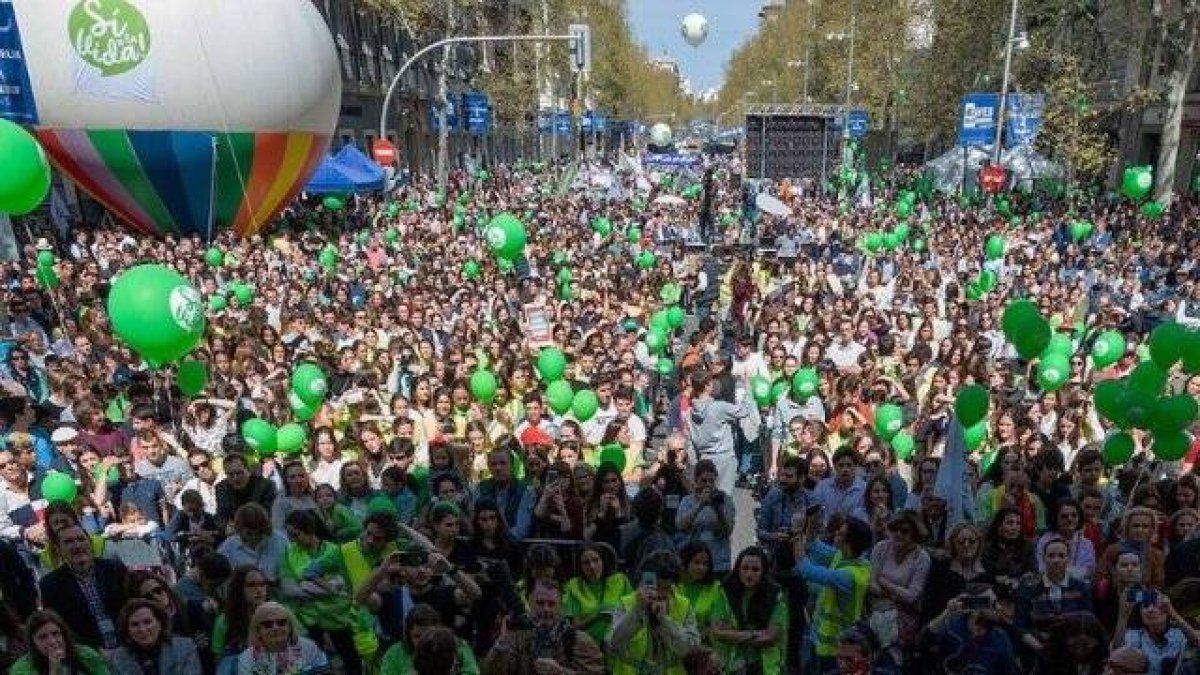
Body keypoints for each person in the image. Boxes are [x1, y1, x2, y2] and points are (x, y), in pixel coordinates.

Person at [278, 510, 361, 675]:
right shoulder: (288, 553)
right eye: (289, 535)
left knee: (352, 663)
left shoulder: (334, 550)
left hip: (337, 617)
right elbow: (288, 589)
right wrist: (325, 590)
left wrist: (305, 586)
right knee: (312, 667)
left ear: (310, 530)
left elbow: (341, 585)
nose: (292, 539)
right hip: (307, 621)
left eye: (296, 534)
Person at [792, 514, 874, 673]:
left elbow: (806, 570)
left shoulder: (849, 576)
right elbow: (813, 544)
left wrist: (796, 534)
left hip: (835, 646)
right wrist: (813, 520)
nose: (836, 533)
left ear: (849, 542)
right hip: (827, 637)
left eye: (841, 533)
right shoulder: (847, 557)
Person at [480, 579, 604, 675]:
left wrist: (561, 672)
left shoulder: (579, 641)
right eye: (540, 603)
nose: (546, 609)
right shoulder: (517, 638)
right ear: (529, 604)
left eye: (552, 604)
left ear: (561, 607)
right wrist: (501, 645)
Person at [607, 550, 701, 674]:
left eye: (666, 588)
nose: (660, 593)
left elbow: (690, 650)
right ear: (645, 580)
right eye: (656, 587)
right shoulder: (627, 603)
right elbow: (613, 643)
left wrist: (665, 621)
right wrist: (637, 610)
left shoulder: (684, 605)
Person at [38, 523, 129, 650]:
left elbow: (132, 607)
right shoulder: (50, 585)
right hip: (87, 652)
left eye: (81, 539)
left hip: (127, 644)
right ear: (58, 549)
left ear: (90, 543)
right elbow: (57, 627)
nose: (77, 546)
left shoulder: (114, 569)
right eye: (69, 542)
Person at [708, 546, 787, 675]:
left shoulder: (776, 595)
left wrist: (733, 634)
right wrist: (754, 634)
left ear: (764, 572)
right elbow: (717, 632)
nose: (749, 574)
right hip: (732, 665)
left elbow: (771, 637)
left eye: (755, 570)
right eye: (745, 568)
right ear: (738, 569)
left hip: (766, 668)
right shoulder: (725, 591)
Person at [685, 371, 753, 496]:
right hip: (724, 457)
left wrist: (694, 464)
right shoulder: (719, 407)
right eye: (711, 382)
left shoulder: (689, 412)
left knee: (705, 497)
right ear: (707, 386)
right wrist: (748, 387)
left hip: (704, 459)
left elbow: (690, 441)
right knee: (724, 498)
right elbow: (745, 410)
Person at [562, 542, 631, 648]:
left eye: (595, 560)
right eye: (586, 563)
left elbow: (632, 612)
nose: (592, 566)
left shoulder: (621, 580)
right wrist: (597, 615)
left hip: (618, 645)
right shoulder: (573, 587)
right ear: (580, 566)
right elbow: (574, 627)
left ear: (603, 560)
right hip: (587, 647)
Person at [109, 598, 203, 675]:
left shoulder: (184, 647)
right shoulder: (118, 658)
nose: (142, 629)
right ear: (127, 630)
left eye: (147, 622)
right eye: (134, 624)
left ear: (160, 623)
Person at [380, 604, 479, 675]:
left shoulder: (457, 645)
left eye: (428, 634)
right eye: (417, 636)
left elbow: (472, 672)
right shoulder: (394, 653)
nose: (423, 641)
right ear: (408, 635)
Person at [675, 459, 735, 574]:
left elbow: (727, 530)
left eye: (711, 481)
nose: (708, 484)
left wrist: (717, 509)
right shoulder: (687, 501)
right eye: (704, 481)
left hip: (719, 562)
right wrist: (700, 505)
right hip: (694, 562)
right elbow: (680, 525)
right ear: (696, 480)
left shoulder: (725, 500)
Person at [235, 602, 329, 675]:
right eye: (267, 624)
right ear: (258, 630)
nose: (275, 628)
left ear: (290, 626)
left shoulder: (308, 646)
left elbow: (323, 670)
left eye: (281, 622)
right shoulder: (247, 658)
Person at [8, 611, 110, 675]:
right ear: (33, 642)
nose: (52, 641)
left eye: (55, 633)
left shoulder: (86, 654)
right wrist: (54, 671)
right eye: (42, 637)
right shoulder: (21, 669)